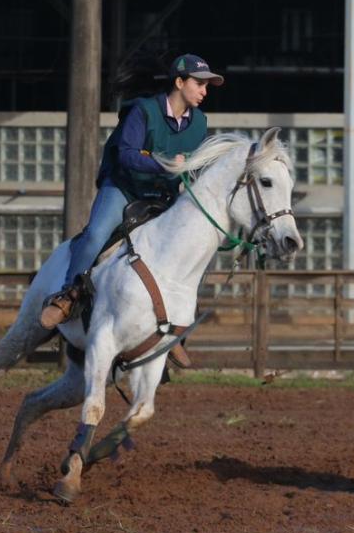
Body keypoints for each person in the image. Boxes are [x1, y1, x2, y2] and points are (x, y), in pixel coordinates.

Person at [40, 53, 224, 329]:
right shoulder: (143, 111)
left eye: (207, 86)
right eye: (199, 83)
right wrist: (165, 165)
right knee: (95, 236)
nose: (204, 91)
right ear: (179, 81)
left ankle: (173, 321)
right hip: (124, 188)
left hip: (162, 195)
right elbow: (126, 155)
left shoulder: (200, 123)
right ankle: (68, 295)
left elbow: (193, 166)